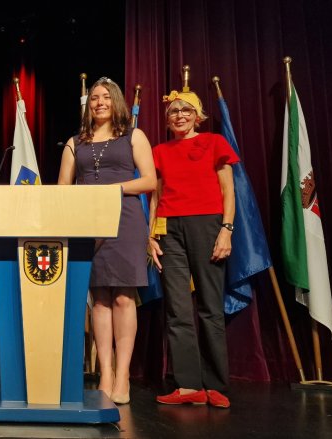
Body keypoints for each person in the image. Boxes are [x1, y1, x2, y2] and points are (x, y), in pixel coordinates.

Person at [58, 77, 156, 404]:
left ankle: (124, 375)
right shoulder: (75, 142)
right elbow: (62, 190)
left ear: (116, 102)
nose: (99, 102)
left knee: (124, 298)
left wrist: (114, 189)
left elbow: (149, 180)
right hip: (88, 223)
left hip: (125, 220)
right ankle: (106, 373)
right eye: (95, 98)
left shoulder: (133, 135)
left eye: (105, 97)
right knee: (99, 299)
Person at [148, 89, 237, 409]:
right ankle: (188, 386)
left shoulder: (214, 142)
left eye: (186, 110)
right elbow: (156, 197)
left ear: (197, 115)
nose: (179, 115)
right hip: (170, 229)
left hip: (208, 226)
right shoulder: (159, 151)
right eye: (173, 111)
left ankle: (215, 385)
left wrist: (226, 230)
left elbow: (229, 190)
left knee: (211, 307)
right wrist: (151, 235)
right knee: (177, 309)